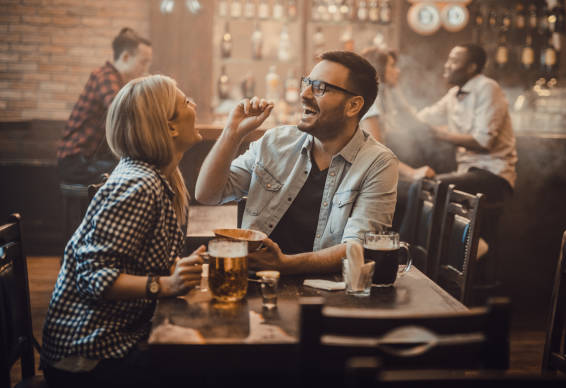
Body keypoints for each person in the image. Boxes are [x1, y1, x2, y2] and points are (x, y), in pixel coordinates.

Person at [42, 75, 205, 388]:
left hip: (111, 341)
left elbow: (137, 261)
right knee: (206, 367)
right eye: (186, 102)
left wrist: (179, 271)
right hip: (86, 356)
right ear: (169, 127)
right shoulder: (138, 185)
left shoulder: (154, 178)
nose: (194, 105)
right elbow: (94, 277)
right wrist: (166, 284)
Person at [195, 51, 399, 275]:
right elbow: (208, 194)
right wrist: (232, 134)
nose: (304, 94)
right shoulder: (275, 142)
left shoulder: (378, 163)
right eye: (307, 83)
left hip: (327, 296)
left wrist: (283, 265)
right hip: (254, 284)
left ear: (353, 106)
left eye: (320, 88)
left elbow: (357, 249)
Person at [405, 43, 518, 258]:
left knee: (429, 186)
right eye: (448, 60)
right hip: (469, 172)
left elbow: (483, 141)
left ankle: (410, 253)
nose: (446, 66)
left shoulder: (487, 88)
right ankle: (454, 249)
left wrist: (441, 134)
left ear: (471, 68)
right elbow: (421, 118)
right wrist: (391, 93)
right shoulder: (454, 94)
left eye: (454, 61)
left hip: (494, 175)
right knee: (423, 186)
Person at [56, 27, 153, 185]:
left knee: (138, 168)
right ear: (126, 57)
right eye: (143, 62)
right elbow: (122, 112)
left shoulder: (120, 82)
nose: (146, 69)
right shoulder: (104, 76)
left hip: (89, 159)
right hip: (75, 162)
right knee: (137, 171)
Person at [360, 47, 435, 181]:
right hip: (365, 177)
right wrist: (412, 173)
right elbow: (374, 151)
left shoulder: (380, 96)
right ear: (378, 69)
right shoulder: (371, 101)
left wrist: (394, 87)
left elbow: (410, 117)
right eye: (392, 66)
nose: (398, 71)